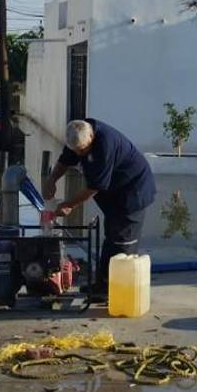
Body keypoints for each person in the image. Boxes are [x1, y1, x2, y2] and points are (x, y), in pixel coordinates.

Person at [42, 118, 156, 296]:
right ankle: (103, 286)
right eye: (76, 151)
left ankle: (119, 291)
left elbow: (95, 186)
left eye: (83, 150)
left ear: (91, 138)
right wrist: (52, 179)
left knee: (122, 242)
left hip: (132, 192)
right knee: (111, 237)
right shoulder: (77, 133)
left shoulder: (105, 145)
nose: (79, 154)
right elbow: (65, 159)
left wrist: (69, 205)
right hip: (113, 194)